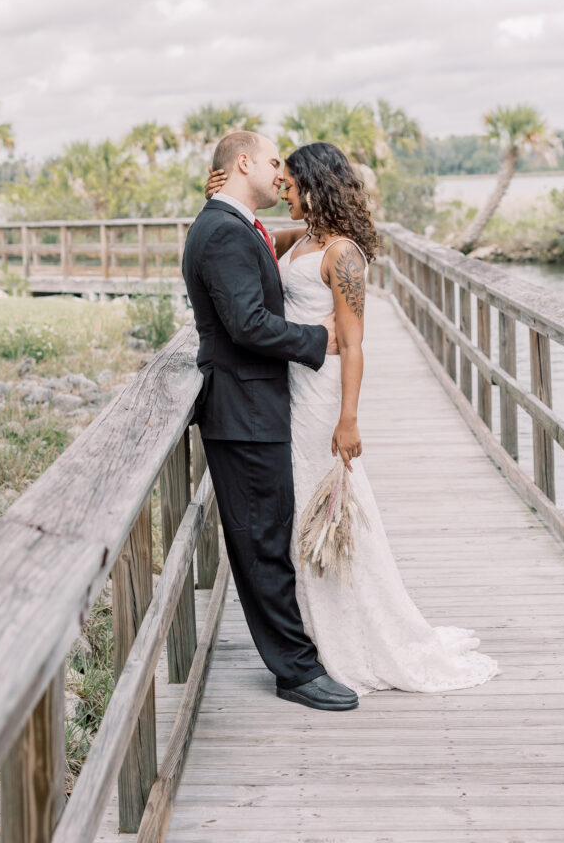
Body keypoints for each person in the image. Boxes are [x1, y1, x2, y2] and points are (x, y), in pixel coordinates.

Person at [204, 139, 499, 696]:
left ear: (314, 185)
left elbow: (355, 345)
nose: (283, 189)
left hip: (320, 399)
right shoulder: (300, 239)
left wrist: (349, 419)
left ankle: (360, 637)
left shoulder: (342, 254)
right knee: (299, 515)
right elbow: (250, 241)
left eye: (289, 183)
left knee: (333, 509)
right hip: (285, 389)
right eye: (279, 181)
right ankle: (319, 632)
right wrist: (221, 197)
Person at [182, 130, 359, 711]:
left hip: (253, 406)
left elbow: (276, 248)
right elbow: (248, 324)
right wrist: (318, 338)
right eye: (271, 162)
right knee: (261, 539)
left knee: (267, 532)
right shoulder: (223, 233)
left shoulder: (235, 226)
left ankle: (299, 654)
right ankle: (296, 671)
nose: (280, 173)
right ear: (242, 163)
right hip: (243, 410)